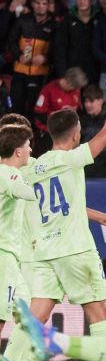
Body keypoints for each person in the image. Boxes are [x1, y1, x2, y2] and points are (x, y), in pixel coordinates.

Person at [24, 71, 106, 361]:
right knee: (99, 316)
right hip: (75, 250)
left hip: (46, 252)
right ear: (75, 135)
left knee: (37, 318)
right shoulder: (72, 159)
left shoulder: (38, 167)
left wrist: (98, 216)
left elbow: (60, 205)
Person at [0, 124, 36, 349]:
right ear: (18, 151)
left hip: (10, 258)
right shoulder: (9, 173)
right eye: (28, 146)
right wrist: (45, 191)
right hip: (3, 256)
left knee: (27, 313)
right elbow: (22, 191)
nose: (31, 150)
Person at [7, 0, 57, 120]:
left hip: (40, 74)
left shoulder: (54, 25)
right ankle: (14, 136)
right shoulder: (22, 20)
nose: (41, 6)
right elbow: (11, 41)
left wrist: (45, 58)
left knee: (34, 109)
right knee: (16, 106)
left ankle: (32, 137)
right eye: (38, 3)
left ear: (48, 5)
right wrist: (18, 56)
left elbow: (58, 49)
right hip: (20, 71)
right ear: (33, 4)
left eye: (44, 3)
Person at [54, 0, 101, 87]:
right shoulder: (67, 21)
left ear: (91, 1)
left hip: (94, 71)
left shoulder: (99, 20)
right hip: (73, 72)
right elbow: (60, 49)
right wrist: (62, 74)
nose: (82, 1)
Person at [33, 68, 88, 146]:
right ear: (69, 83)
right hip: (51, 132)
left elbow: (78, 110)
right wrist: (57, 126)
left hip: (69, 131)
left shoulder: (76, 90)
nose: (77, 90)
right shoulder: (49, 90)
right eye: (76, 88)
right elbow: (39, 114)